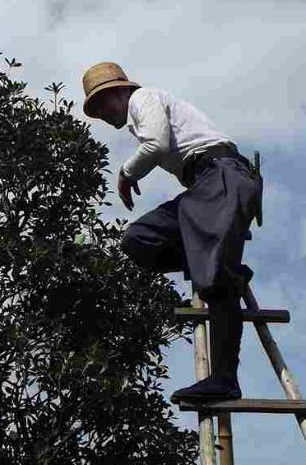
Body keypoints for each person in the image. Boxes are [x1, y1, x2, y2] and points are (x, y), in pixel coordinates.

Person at [81, 61, 263, 401]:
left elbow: (156, 145)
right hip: (205, 186)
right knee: (138, 239)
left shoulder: (143, 98)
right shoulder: (141, 110)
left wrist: (126, 173)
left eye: (104, 101)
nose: (103, 112)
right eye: (96, 108)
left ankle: (224, 378)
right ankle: (216, 264)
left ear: (122, 90)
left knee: (214, 280)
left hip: (221, 175)